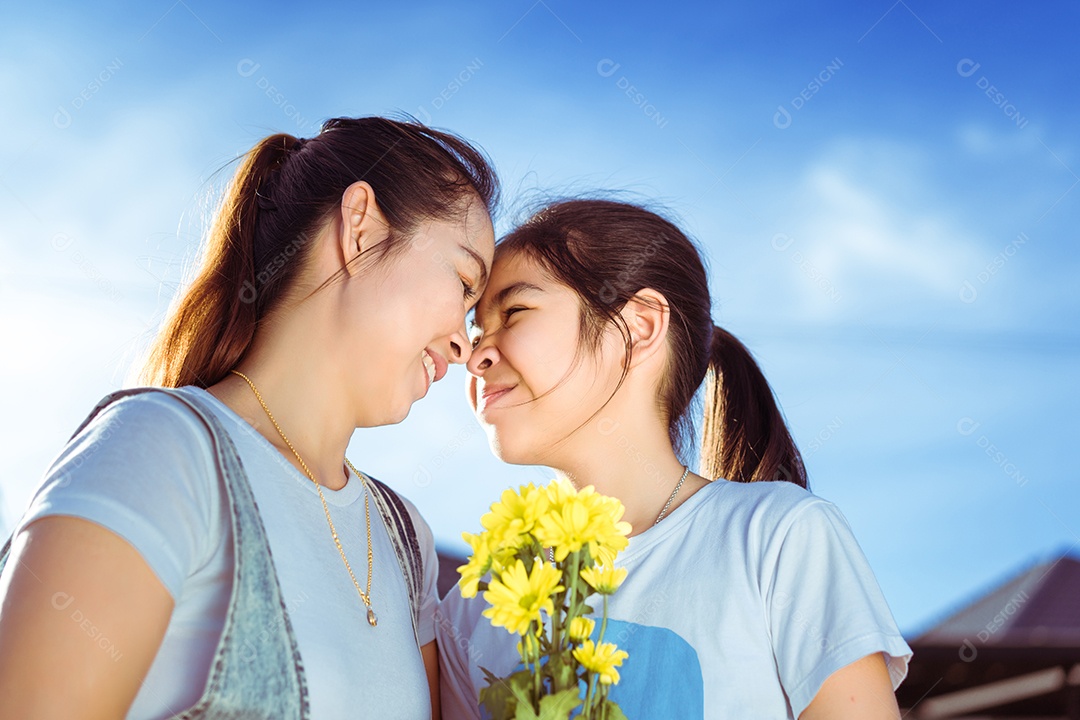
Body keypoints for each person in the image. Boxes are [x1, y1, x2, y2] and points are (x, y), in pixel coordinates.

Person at [0, 116, 498, 719]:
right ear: (360, 228)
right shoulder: (162, 450)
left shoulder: (404, 540)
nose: (465, 345)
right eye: (464, 283)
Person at [437, 199, 912, 719]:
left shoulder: (778, 538)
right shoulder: (473, 607)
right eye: (477, 331)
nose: (475, 354)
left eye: (515, 313)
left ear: (639, 326)